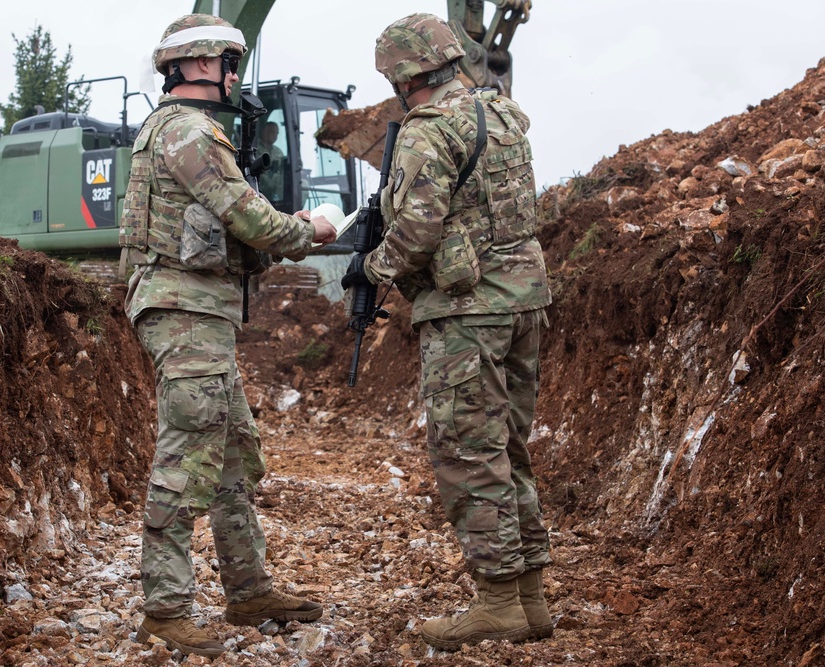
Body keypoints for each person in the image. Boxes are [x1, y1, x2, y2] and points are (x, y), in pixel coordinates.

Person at [119, 13, 337, 658]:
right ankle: (165, 610)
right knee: (187, 456)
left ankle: (247, 590)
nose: (238, 76)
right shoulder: (187, 132)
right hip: (182, 309)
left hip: (201, 309)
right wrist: (310, 232)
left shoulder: (191, 131)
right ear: (196, 65)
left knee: (233, 458)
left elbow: (231, 230)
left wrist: (278, 228)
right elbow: (246, 214)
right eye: (229, 62)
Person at [341, 12, 554, 651]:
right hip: (523, 302)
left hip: (469, 314)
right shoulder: (504, 117)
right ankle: (531, 597)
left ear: (406, 75)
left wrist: (369, 271)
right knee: (508, 446)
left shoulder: (427, 133)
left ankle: (497, 602)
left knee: (467, 452)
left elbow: (416, 232)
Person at [257, 121, 287, 204]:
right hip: (260, 183)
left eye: (277, 133)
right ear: (264, 131)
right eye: (272, 132)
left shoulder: (278, 151)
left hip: (277, 185)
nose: (275, 136)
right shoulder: (254, 147)